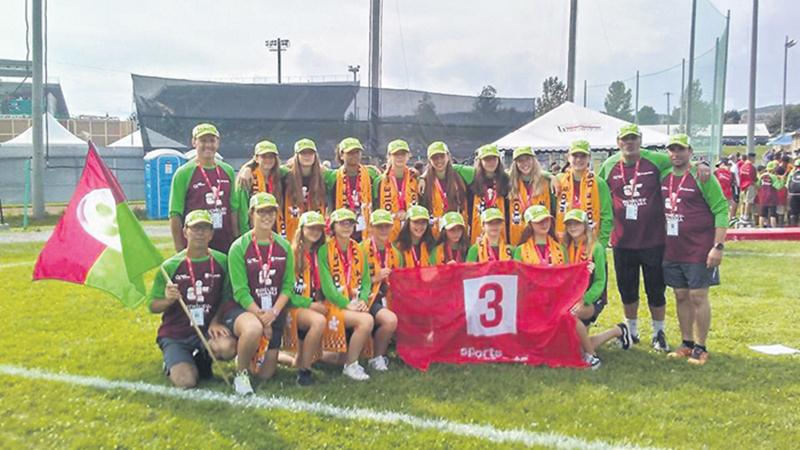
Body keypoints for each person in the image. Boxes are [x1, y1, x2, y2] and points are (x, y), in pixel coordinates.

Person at [597, 124, 710, 351]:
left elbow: (682, 161)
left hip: (653, 240)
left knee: (655, 289)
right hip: (622, 240)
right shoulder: (609, 165)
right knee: (627, 288)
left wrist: (702, 164)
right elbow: (595, 187)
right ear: (618, 142)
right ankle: (633, 330)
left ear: (641, 140)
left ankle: (659, 332)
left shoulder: (657, 160)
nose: (629, 143)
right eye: (625, 139)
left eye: (634, 139)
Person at [659, 135, 728, 365]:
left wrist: (717, 246)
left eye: (680, 149)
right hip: (673, 247)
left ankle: (701, 346)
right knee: (680, 295)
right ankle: (687, 343)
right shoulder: (664, 175)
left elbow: (721, 209)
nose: (675, 154)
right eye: (672, 150)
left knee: (698, 295)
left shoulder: (702, 175)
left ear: (690, 151)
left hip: (699, 247)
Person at [149, 210, 237, 389]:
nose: (200, 233)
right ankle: (173, 361)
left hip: (204, 331)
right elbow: (153, 306)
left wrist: (215, 321)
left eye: (205, 228)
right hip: (176, 334)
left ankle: (201, 358)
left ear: (212, 233)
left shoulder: (222, 261)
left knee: (227, 347)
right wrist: (167, 300)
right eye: (195, 228)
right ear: (185, 232)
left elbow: (226, 297)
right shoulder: (170, 266)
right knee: (186, 382)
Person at [224, 192, 295, 394]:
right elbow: (240, 291)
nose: (266, 217)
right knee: (254, 329)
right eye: (261, 212)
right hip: (244, 311)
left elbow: (288, 285)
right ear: (251, 214)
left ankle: (254, 353)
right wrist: (262, 318)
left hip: (273, 312)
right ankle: (241, 374)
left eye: (271, 212)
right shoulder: (239, 247)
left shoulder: (284, 246)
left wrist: (273, 314)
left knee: (266, 374)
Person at [561, 208, 631, 370]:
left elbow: (600, 282)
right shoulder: (566, 248)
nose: (572, 227)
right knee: (576, 348)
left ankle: (593, 357)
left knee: (571, 315)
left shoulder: (596, 248)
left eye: (577, 224)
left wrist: (584, 299)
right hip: (572, 299)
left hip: (592, 299)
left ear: (585, 225)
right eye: (569, 224)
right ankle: (618, 331)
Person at [317, 208, 375, 380]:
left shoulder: (357, 248)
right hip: (333, 304)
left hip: (354, 302)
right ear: (333, 226)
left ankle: (349, 360)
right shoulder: (324, 250)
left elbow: (365, 281)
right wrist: (346, 304)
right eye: (342, 223)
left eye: (350, 223)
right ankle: (351, 365)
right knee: (366, 320)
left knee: (335, 358)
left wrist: (363, 299)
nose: (347, 226)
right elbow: (327, 288)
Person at [169, 123, 241, 253]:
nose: (208, 145)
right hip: (196, 243)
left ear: (218, 143)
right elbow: (175, 213)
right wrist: (179, 248)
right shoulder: (184, 173)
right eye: (203, 141)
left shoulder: (227, 170)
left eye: (212, 141)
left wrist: (236, 238)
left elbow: (233, 208)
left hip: (224, 242)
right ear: (194, 142)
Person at [281, 210, 328, 386]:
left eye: (319, 228)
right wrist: (310, 304)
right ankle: (304, 373)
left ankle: (288, 359)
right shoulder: (291, 254)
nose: (315, 232)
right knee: (318, 321)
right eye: (311, 228)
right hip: (294, 306)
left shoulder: (320, 253)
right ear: (301, 229)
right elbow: (287, 292)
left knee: (299, 360)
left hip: (313, 304)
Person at [359, 209, 400, 371]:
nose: (383, 230)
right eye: (379, 226)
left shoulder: (395, 252)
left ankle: (380, 354)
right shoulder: (360, 250)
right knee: (390, 320)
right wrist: (375, 278)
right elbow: (352, 280)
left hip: (388, 297)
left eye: (387, 226)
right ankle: (377, 357)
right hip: (367, 298)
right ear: (370, 228)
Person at [555, 140, 613, 248]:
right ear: (568, 157)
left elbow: (607, 216)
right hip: (564, 243)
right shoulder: (559, 180)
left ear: (589, 158)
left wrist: (601, 244)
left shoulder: (599, 183)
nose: (578, 160)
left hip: (591, 243)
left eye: (583, 156)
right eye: (575, 156)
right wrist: (550, 176)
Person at [325, 137, 380, 242]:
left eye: (357, 152)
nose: (354, 155)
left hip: (364, 227)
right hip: (342, 225)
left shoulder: (371, 174)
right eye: (350, 153)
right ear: (341, 155)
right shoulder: (333, 177)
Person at [418, 141, 470, 239]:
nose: (439, 161)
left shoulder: (460, 175)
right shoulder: (424, 182)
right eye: (434, 158)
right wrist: (422, 177)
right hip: (434, 234)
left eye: (442, 156)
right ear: (429, 160)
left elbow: (479, 170)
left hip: (457, 232)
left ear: (448, 156)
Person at [236, 140, 285, 236]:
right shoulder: (247, 178)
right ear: (256, 158)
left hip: (275, 229)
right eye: (264, 156)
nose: (268, 160)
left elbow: (295, 167)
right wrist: (245, 234)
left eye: (271, 157)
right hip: (253, 231)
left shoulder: (280, 175)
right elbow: (242, 210)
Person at [507, 146, 554, 246]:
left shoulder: (546, 182)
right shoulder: (509, 183)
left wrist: (551, 176)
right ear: (515, 164)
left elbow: (553, 209)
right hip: (518, 237)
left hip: (541, 236)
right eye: (520, 160)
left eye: (528, 159)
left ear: (534, 160)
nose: (525, 163)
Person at [283, 138, 328, 241]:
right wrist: (248, 167)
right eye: (303, 153)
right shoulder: (285, 174)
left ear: (315, 156)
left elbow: (341, 173)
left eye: (310, 153)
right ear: (296, 156)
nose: (307, 156)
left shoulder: (324, 175)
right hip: (292, 229)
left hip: (315, 230)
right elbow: (265, 166)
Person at [374, 139, 419, 241]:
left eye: (403, 154)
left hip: (411, 232)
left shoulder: (415, 179)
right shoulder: (380, 181)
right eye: (395, 154)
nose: (399, 157)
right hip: (387, 233)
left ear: (408, 156)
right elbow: (375, 207)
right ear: (389, 156)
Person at [468, 144, 510, 244]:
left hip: (500, 230)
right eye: (487, 159)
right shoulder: (472, 180)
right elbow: (453, 167)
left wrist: (550, 176)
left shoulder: (506, 180)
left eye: (494, 159)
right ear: (480, 161)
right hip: (478, 230)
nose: (491, 163)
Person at [756, 161, 782, 228]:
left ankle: (761, 229)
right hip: (772, 198)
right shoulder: (773, 177)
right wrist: (782, 180)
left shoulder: (762, 175)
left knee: (762, 214)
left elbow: (757, 185)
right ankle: (774, 229)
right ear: (773, 169)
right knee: (772, 215)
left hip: (763, 197)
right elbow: (778, 187)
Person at [714, 158, 737, 223]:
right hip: (719, 194)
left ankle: (729, 220)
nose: (729, 167)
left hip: (728, 194)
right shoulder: (716, 172)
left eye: (729, 165)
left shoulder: (731, 174)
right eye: (728, 165)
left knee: (731, 206)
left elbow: (732, 183)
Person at [739, 152, 757, 224]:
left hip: (743, 185)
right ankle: (746, 216)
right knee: (749, 201)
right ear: (751, 158)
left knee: (744, 201)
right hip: (750, 184)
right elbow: (754, 177)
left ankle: (742, 215)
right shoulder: (751, 167)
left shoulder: (743, 166)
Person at [788, 158, 800, 226]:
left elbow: (787, 185)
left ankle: (794, 228)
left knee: (794, 213)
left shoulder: (792, 173)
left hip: (793, 195)